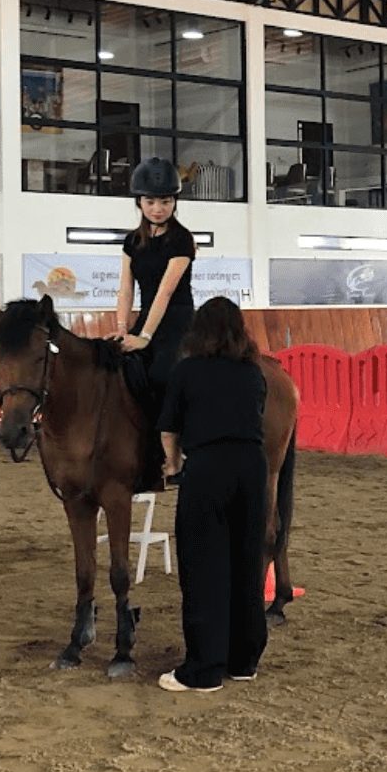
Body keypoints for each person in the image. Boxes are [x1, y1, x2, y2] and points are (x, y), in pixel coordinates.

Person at [155, 296, 268, 694]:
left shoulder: (187, 371)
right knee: (245, 563)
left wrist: (172, 465)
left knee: (204, 567)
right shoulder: (253, 373)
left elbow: (168, 430)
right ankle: (243, 660)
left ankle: (203, 669)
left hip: (207, 470)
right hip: (252, 471)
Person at [113, 157, 196, 414]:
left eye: (165, 202)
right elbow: (126, 290)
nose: (157, 208)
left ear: (174, 203)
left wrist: (144, 337)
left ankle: (173, 437)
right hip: (147, 316)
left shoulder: (181, 240)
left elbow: (166, 291)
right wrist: (122, 329)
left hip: (176, 320)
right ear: (140, 202)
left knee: (161, 373)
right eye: (150, 202)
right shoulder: (132, 241)